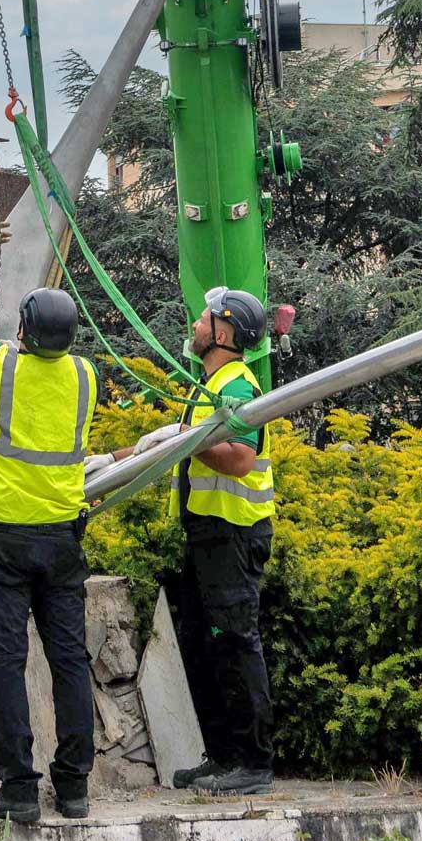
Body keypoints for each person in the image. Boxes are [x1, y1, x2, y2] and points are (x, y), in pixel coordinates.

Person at [88, 286, 276, 796]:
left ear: (224, 331)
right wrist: (116, 458)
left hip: (233, 535)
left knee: (236, 643)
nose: (194, 326)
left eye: (202, 319)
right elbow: (184, 439)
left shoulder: (238, 387)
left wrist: (186, 440)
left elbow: (236, 456)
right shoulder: (210, 384)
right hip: (207, 534)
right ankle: (222, 758)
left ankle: (252, 764)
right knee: (203, 645)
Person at [0, 214, 98, 823]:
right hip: (63, 540)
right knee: (70, 661)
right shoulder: (88, 377)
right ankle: (73, 788)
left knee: (7, 663)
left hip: (4, 542)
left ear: (24, 331)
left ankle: (17, 790)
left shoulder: (1, 367)